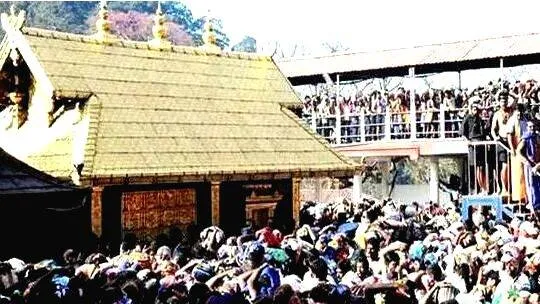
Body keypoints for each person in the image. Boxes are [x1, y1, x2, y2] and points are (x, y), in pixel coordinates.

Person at [461, 103, 488, 194]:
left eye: (477, 109)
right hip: (473, 144)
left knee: (481, 168)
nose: (475, 111)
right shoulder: (468, 118)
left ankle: (484, 187)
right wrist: (467, 141)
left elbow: (483, 132)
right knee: (477, 168)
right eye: (474, 109)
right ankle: (482, 188)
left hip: (481, 145)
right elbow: (462, 132)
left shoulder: (479, 119)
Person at [517, 121, 540, 216]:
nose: (532, 128)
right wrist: (526, 162)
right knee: (531, 186)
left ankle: (537, 204)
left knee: (538, 185)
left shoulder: (537, 137)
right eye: (530, 127)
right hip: (529, 165)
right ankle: (533, 205)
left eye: (533, 126)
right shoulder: (525, 138)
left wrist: (537, 165)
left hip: (537, 164)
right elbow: (518, 151)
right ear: (527, 128)